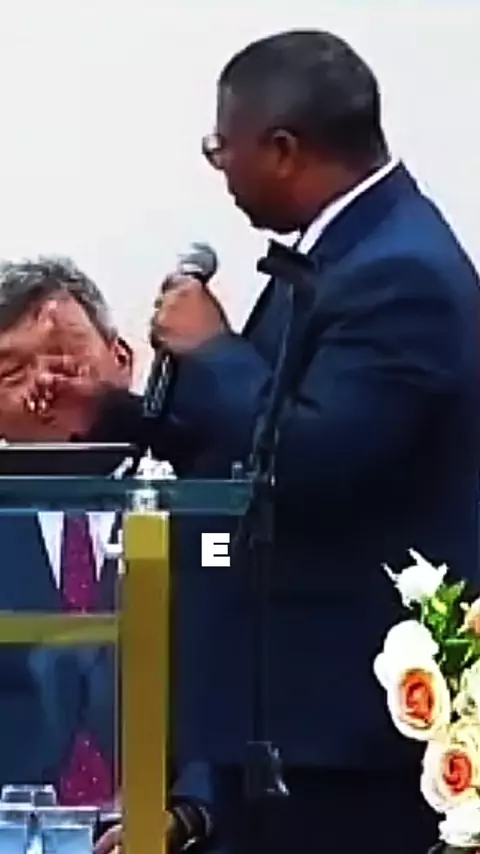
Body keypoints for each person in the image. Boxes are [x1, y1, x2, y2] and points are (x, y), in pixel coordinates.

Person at [62, 29, 480, 854]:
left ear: (283, 149)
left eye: (222, 146)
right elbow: (251, 444)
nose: (219, 168)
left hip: (340, 732)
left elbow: (315, 462)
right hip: (275, 721)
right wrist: (115, 416)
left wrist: (216, 348)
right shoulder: (336, 252)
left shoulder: (402, 272)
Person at [0, 257, 132, 801]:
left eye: (65, 361)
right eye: (12, 374)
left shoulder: (203, 512)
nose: (45, 385)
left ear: (122, 360)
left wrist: (194, 806)